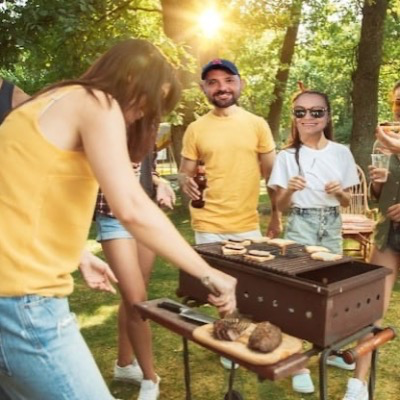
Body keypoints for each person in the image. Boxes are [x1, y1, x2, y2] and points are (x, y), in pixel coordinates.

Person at [0, 39, 237, 400]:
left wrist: (78, 254)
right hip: (22, 302)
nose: (141, 114)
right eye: (147, 101)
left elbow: (19, 196)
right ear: (129, 77)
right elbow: (130, 205)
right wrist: (207, 272)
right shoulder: (98, 102)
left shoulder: (49, 102)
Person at [179, 58, 281, 369]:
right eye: (213, 82)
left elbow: (271, 175)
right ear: (204, 89)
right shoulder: (196, 129)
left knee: (250, 286)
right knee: (219, 288)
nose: (221, 87)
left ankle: (250, 332)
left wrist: (276, 214)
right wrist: (185, 181)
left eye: (228, 80)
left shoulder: (257, 124)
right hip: (208, 222)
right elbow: (185, 172)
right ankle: (231, 338)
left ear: (240, 83)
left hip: (246, 221)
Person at [268, 89, 359, 394]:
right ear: (294, 118)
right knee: (299, 293)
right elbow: (279, 208)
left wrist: (339, 193)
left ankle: (330, 350)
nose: (308, 117)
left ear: (327, 116)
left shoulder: (341, 152)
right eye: (300, 112)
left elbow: (347, 201)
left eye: (316, 112)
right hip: (301, 222)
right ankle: (298, 363)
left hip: (331, 223)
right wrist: (290, 190)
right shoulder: (286, 156)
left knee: (330, 291)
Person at [95, 150, 176, 400]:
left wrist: (160, 183)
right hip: (113, 216)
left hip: (144, 215)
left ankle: (124, 364)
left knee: (135, 296)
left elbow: (146, 170)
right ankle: (150, 377)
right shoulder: (101, 120)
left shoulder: (145, 127)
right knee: (136, 300)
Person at [343, 81, 400, 400]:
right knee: (371, 309)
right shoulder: (387, 139)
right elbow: (379, 197)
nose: (399, 108)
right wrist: (378, 184)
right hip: (387, 235)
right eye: (397, 102)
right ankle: (358, 384)